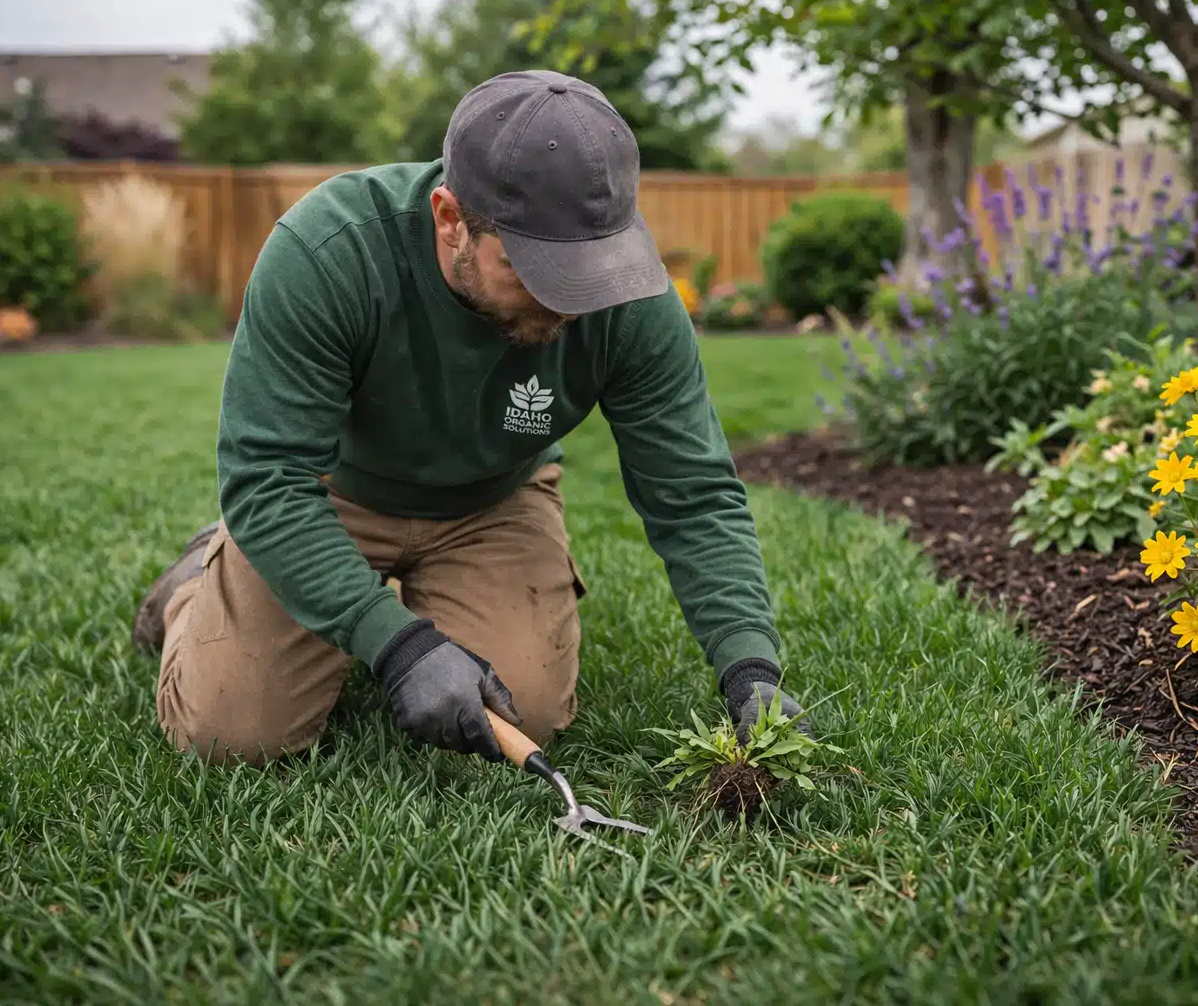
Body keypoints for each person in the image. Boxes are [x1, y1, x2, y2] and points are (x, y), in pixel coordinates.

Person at [132, 69, 808, 768]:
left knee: (528, 710)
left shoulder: (628, 295)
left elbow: (692, 489)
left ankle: (388, 593)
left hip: (494, 503)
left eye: (589, 269)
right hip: (333, 500)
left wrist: (749, 665)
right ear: (449, 216)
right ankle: (193, 589)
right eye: (534, 269)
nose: (573, 302)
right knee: (231, 736)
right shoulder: (330, 253)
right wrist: (400, 645)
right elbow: (267, 477)